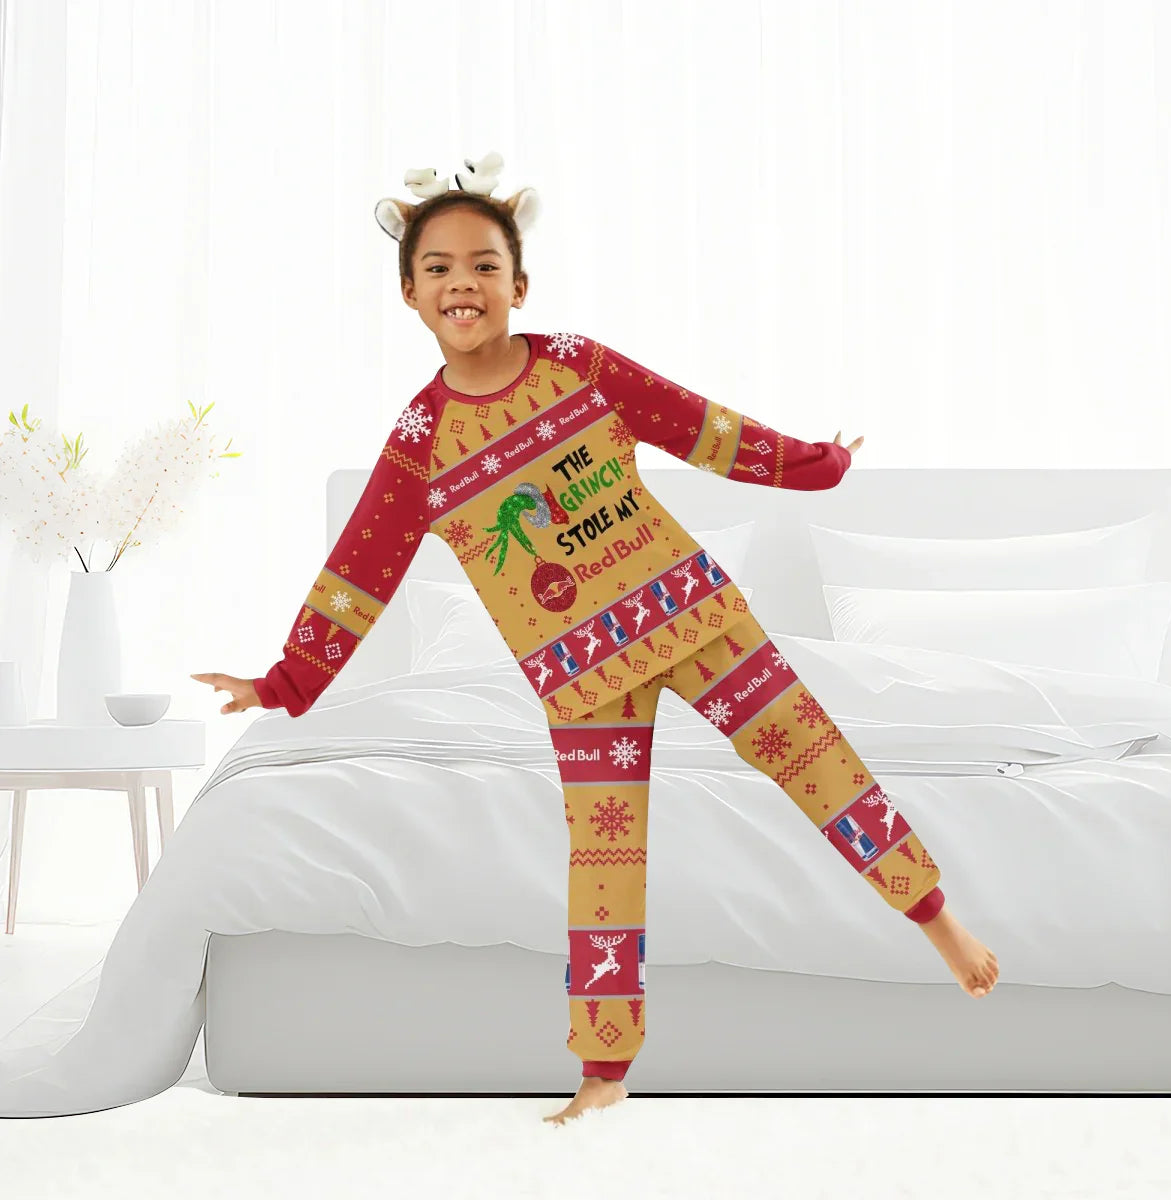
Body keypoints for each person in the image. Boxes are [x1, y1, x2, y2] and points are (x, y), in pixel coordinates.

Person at [192, 152, 998, 1127]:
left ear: (519, 284)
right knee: (603, 864)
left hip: (692, 614)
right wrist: (284, 682)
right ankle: (605, 1064)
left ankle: (936, 919)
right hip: (580, 677)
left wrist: (816, 466)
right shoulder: (419, 442)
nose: (463, 283)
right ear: (408, 292)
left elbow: (701, 428)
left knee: (816, 759)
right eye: (439, 267)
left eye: (485, 264)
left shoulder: (576, 364)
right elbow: (361, 571)